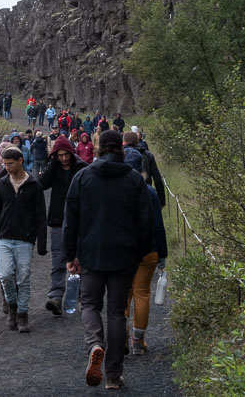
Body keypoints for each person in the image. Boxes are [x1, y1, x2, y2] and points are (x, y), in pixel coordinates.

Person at [64, 130, 152, 390]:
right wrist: (140, 253)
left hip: (91, 254)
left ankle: (95, 344)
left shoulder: (82, 177)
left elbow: (71, 221)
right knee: (116, 312)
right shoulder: (135, 180)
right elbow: (145, 222)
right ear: (122, 149)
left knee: (90, 305)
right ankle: (113, 376)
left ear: (99, 148)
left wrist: (71, 255)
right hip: (124, 257)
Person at [0, 148, 47, 333]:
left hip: (25, 239)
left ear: (20, 161)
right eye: (4, 164)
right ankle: (12, 306)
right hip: (4, 238)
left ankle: (22, 314)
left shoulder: (34, 185)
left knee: (23, 277)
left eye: (10, 163)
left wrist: (41, 243)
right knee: (5, 275)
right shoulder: (1, 185)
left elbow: (40, 216)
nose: (7, 167)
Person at [123, 150, 168, 356]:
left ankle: (120, 332)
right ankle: (138, 341)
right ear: (142, 169)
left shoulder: (116, 190)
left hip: (122, 251)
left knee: (123, 292)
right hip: (148, 250)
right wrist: (163, 254)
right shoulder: (149, 192)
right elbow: (158, 226)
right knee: (142, 292)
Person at [38, 135, 87, 315]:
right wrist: (52, 166)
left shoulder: (83, 169)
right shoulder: (55, 168)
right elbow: (41, 185)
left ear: (71, 153)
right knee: (58, 257)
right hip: (59, 219)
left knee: (81, 257)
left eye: (66, 155)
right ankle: (56, 296)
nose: (64, 159)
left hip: (80, 220)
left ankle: (82, 297)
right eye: (59, 156)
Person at [124, 131, 165, 208]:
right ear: (137, 141)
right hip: (145, 190)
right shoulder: (148, 155)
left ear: (124, 142)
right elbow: (157, 178)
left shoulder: (120, 154)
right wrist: (161, 200)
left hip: (124, 193)